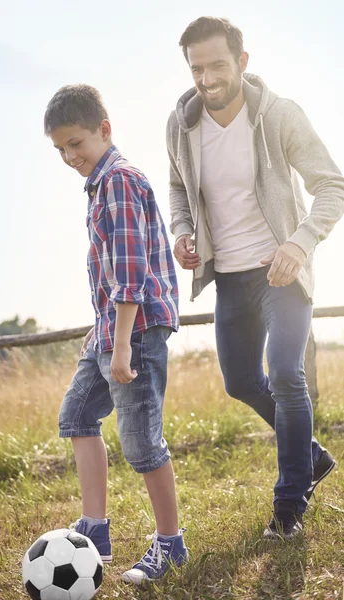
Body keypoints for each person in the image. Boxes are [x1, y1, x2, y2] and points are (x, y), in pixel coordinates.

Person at [167, 16, 344, 539]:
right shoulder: (181, 124)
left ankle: (288, 507)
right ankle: (309, 455)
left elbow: (332, 185)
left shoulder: (279, 115)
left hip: (281, 271)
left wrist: (300, 242)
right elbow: (178, 188)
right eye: (197, 68)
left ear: (242, 62)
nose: (207, 78)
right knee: (241, 380)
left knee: (287, 374)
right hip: (230, 276)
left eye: (218, 65)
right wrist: (182, 231)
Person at [43, 84, 187, 584]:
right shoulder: (98, 185)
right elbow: (109, 275)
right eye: (60, 148)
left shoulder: (120, 181)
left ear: (104, 130)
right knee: (77, 415)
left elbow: (130, 274)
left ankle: (171, 545)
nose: (68, 156)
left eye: (76, 143)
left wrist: (122, 341)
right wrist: (101, 330)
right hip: (111, 330)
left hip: (137, 331)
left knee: (141, 441)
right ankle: (95, 529)